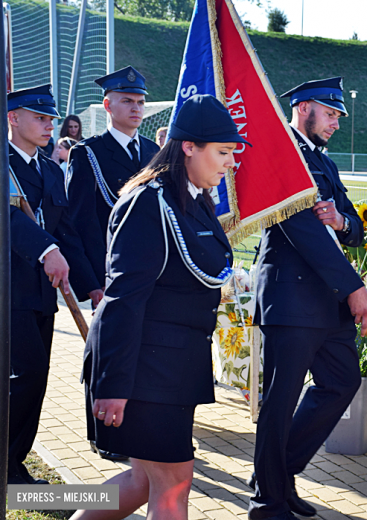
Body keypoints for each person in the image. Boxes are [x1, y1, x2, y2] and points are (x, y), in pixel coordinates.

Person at [70, 94, 246, 520]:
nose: (229, 163)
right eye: (222, 152)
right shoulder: (148, 201)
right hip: (143, 370)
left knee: (143, 481)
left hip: (171, 365)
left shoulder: (192, 195)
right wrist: (113, 384)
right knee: (173, 484)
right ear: (188, 147)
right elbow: (123, 298)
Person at [248, 77, 367, 520]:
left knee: (341, 382)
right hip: (291, 296)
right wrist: (355, 288)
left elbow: (355, 230)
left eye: (339, 115)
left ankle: (279, 473)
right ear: (304, 107)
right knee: (281, 399)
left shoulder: (323, 161)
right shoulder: (281, 153)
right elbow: (301, 231)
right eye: (331, 113)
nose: (338, 122)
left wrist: (343, 220)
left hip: (326, 300)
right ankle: (267, 500)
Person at [7, 84, 102, 485]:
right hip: (8, 292)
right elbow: (9, 221)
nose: (49, 125)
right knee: (23, 376)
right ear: (13, 118)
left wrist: (92, 286)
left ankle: (13, 465)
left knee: (37, 378)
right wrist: (46, 250)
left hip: (44, 294)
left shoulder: (49, 169)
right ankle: (7, 467)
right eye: (39, 118)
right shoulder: (3, 165)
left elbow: (68, 233)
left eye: (50, 118)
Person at [67, 66, 160, 313]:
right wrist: (93, 282)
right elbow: (81, 222)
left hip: (153, 270)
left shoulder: (153, 152)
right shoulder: (87, 153)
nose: (136, 108)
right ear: (107, 106)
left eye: (140, 102)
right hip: (110, 272)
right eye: (127, 101)